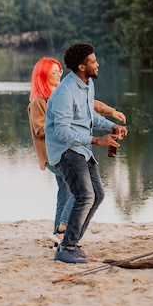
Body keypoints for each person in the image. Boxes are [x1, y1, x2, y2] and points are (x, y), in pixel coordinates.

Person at [28, 57, 126, 246]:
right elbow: (40, 130)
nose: (59, 74)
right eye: (54, 71)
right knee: (78, 190)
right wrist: (62, 124)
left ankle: (59, 233)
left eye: (59, 70)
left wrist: (111, 112)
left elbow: (90, 106)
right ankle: (63, 229)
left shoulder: (63, 92)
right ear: (43, 75)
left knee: (65, 192)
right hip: (53, 154)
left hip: (70, 147)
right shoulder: (38, 102)